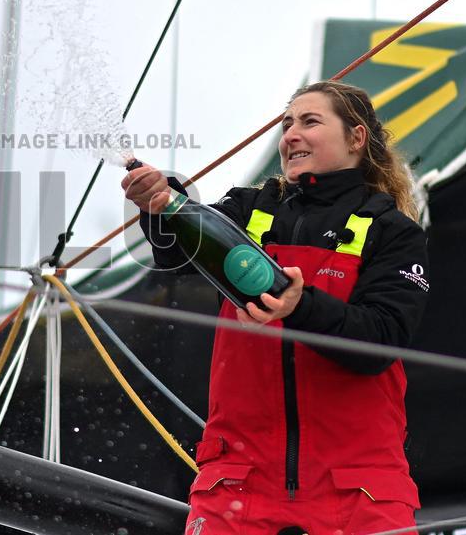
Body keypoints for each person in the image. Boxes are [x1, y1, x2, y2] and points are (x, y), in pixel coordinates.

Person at [122, 81, 430, 534]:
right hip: (237, 489)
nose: (290, 135)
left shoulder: (393, 231)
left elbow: (378, 343)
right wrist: (159, 204)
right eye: (286, 124)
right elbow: (173, 253)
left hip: (358, 494)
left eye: (309, 122)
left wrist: (298, 307)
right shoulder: (248, 210)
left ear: (356, 137)